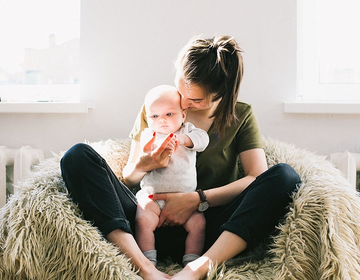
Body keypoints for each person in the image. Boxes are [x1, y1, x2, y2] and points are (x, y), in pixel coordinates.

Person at [60, 35, 301, 280]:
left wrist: (196, 200)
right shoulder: (159, 106)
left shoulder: (241, 115)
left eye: (195, 100)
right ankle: (143, 266)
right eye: (180, 89)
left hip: (206, 229)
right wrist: (144, 165)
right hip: (146, 220)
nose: (183, 103)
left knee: (285, 176)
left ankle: (197, 269)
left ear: (220, 94)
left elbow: (255, 178)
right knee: (77, 156)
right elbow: (129, 180)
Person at [135, 85, 209, 267]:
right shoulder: (149, 134)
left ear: (183, 115)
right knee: (142, 221)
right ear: (147, 118)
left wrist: (183, 140)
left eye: (169, 114)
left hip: (186, 199)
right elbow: (144, 150)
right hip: (153, 198)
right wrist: (152, 147)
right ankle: (148, 261)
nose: (162, 121)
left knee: (199, 225)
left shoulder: (187, 131)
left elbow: (203, 140)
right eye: (155, 116)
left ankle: (191, 262)